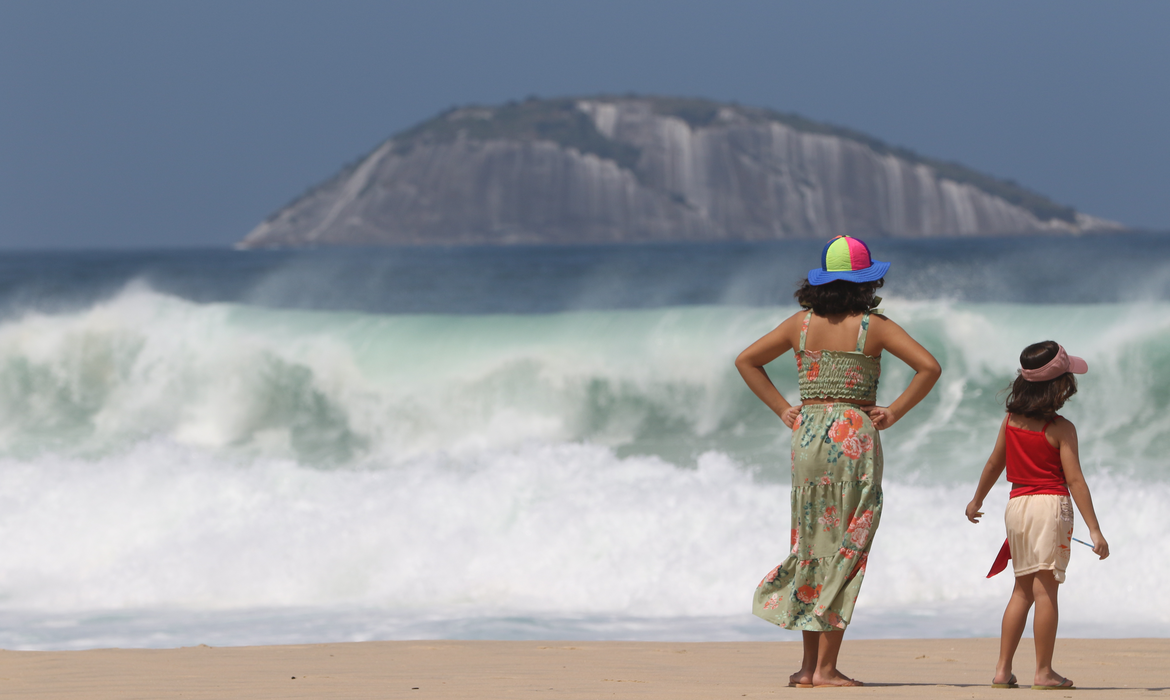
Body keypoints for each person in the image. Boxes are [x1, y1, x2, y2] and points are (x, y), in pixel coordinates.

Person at [736, 235, 941, 688]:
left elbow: (747, 361)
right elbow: (929, 367)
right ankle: (825, 669)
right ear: (867, 283)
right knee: (847, 548)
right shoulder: (875, 326)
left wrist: (782, 408)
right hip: (853, 438)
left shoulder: (800, 325)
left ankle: (809, 668)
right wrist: (894, 411)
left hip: (807, 436)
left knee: (813, 546)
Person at [965, 341, 1108, 690]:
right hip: (1049, 507)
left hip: (1016, 507)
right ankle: (1043, 672)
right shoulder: (1061, 429)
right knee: (1046, 593)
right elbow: (1074, 480)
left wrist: (976, 500)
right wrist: (1095, 530)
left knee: (1021, 591)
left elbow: (994, 463)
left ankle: (1002, 670)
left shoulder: (1010, 421)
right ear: (1059, 387)